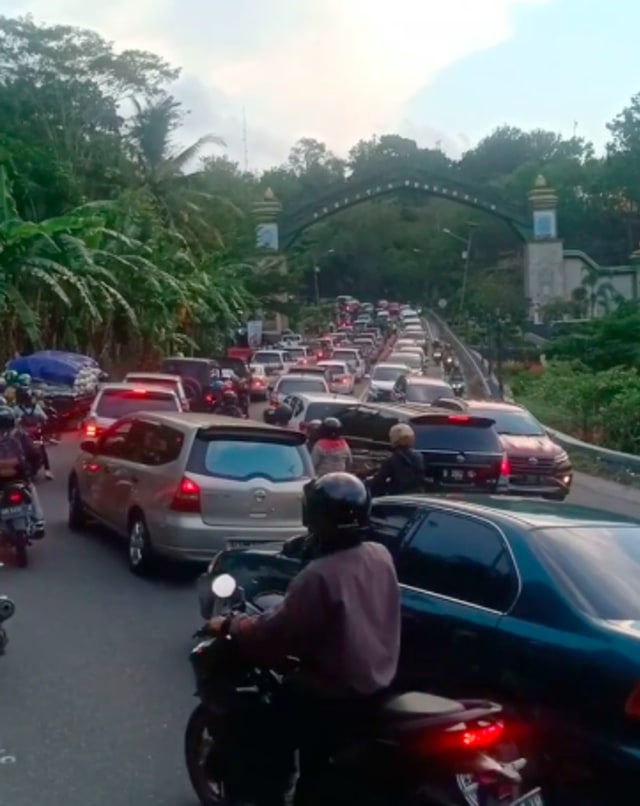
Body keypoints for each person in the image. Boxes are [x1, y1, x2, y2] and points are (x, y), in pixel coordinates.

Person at [207, 472, 401, 805]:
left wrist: (233, 625)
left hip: (333, 691)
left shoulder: (319, 576)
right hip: (379, 679)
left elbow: (275, 631)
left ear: (315, 515)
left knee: (265, 729)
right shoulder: (378, 554)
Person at [0, 406, 45, 537]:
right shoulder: (20, 434)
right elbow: (34, 453)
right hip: (20, 475)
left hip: (14, 477)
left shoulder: (20, 434)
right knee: (31, 490)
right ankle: (39, 521)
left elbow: (33, 453)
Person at [368, 423, 425, 496]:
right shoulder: (419, 457)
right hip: (417, 496)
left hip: (398, 496)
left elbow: (379, 480)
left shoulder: (392, 459)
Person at [14, 388, 53, 480]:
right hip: (36, 433)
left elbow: (14, 421)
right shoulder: (36, 407)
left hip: (23, 434)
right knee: (42, 450)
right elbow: (44, 418)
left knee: (19, 451)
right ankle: (47, 471)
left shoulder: (16, 409)